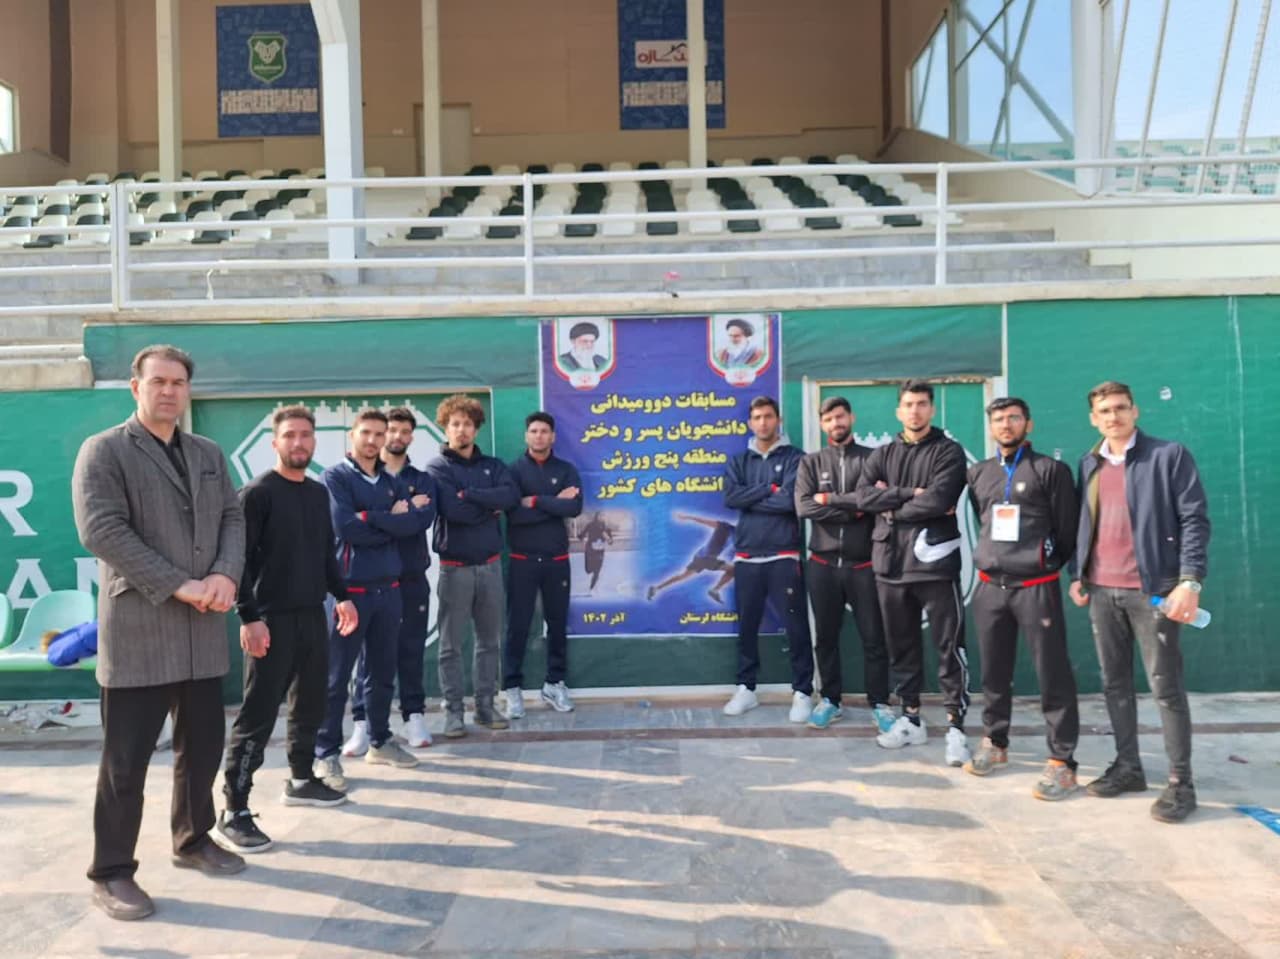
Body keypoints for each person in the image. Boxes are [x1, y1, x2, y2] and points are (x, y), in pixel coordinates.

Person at [72, 344, 247, 921]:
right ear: (136, 388)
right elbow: (101, 530)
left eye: (178, 382)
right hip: (140, 632)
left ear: (188, 390)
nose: (169, 391)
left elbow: (232, 516)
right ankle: (112, 872)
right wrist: (179, 583)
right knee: (126, 763)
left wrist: (224, 575)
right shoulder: (105, 451)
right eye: (158, 381)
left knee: (202, 750)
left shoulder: (207, 452)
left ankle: (193, 839)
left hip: (202, 630)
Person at [215, 406, 360, 854]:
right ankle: (234, 810)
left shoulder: (317, 493)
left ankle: (301, 779)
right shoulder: (256, 494)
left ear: (315, 442)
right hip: (269, 620)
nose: (299, 443)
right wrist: (248, 616)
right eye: (290, 435)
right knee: (258, 715)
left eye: (305, 435)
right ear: (275, 443)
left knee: (310, 703)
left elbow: (325, 554)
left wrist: (342, 595)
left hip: (312, 615)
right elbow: (237, 562)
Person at [1069, 380, 1210, 823]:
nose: (1113, 416)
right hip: (1101, 591)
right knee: (1115, 685)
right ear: (1093, 419)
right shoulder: (1089, 462)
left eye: (1120, 408)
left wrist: (1189, 581)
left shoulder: (1168, 456)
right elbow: (1086, 522)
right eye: (1104, 411)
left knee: (1165, 688)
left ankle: (1180, 783)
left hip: (1153, 593)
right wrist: (1078, 574)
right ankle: (1128, 767)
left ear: (1135, 411)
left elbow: (1194, 519)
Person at [964, 397, 1081, 800]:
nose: (1006, 424)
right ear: (991, 427)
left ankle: (1062, 761)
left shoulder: (1051, 471)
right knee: (994, 672)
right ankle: (995, 743)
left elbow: (1067, 531)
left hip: (1036, 587)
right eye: (999, 419)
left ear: (1027, 424)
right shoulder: (978, 473)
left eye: (1014, 418)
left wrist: (1042, 562)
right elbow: (982, 519)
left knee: (1052, 673)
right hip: (990, 587)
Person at [854, 380, 972, 766]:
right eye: (908, 404)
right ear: (898, 411)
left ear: (932, 409)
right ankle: (911, 719)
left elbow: (939, 500)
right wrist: (908, 494)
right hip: (889, 565)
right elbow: (863, 496)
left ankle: (956, 728)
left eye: (922, 404)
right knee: (901, 647)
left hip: (935, 564)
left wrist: (889, 505)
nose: (915, 411)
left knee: (949, 647)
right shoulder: (882, 454)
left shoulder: (948, 451)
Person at [314, 409, 433, 788]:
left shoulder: (391, 481)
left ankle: (380, 741)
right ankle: (325, 754)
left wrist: (371, 517)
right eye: (366, 432)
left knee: (381, 673)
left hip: (389, 590)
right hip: (349, 594)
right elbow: (346, 527)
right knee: (336, 678)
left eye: (379, 434)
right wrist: (387, 518)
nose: (373, 440)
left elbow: (412, 524)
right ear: (352, 435)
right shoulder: (335, 477)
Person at [794, 396, 893, 733]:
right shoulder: (810, 463)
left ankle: (879, 702)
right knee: (825, 637)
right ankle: (830, 700)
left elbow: (876, 501)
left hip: (864, 564)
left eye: (840, 416)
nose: (835, 423)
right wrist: (854, 509)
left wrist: (831, 501)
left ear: (851, 418)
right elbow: (804, 507)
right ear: (822, 424)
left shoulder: (872, 459)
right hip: (822, 564)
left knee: (874, 637)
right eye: (828, 419)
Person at [425, 394, 520, 738]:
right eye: (455, 424)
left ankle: (485, 706)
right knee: (451, 645)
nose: (461, 430)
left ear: (476, 429)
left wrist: (471, 494)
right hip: (455, 569)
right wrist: (486, 504)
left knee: (489, 642)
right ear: (446, 428)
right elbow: (453, 511)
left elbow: (510, 497)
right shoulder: (437, 468)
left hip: (490, 567)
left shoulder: (493, 466)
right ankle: (453, 711)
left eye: (467, 424)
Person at [344, 407, 437, 755]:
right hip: (371, 580)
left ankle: (414, 716)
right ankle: (362, 724)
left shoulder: (422, 479)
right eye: (392, 430)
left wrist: (376, 517)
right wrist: (395, 512)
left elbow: (419, 522)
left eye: (404, 431)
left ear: (411, 436)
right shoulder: (362, 480)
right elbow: (350, 525)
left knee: (410, 649)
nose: (397, 436)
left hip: (410, 578)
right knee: (367, 659)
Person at [721, 396, 814, 723]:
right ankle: (746, 688)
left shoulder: (796, 458)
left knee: (796, 626)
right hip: (747, 557)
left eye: (768, 416)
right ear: (750, 422)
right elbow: (731, 497)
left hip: (783, 555)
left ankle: (802, 691)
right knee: (746, 627)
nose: (763, 422)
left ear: (778, 420)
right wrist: (769, 489)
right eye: (757, 417)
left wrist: (753, 495)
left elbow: (790, 502)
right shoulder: (738, 461)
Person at [502, 411, 583, 718]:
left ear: (553, 437)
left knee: (557, 624)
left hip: (557, 562)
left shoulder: (565, 470)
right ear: (527, 436)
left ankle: (554, 683)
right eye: (534, 431)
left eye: (544, 431)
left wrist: (535, 500)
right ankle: (512, 688)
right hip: (522, 562)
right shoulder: (513, 471)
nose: (539, 436)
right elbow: (514, 514)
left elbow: (574, 507)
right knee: (518, 626)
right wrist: (554, 501)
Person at [646, 513, 735, 604]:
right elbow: (704, 521)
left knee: (682, 576)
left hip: (700, 556)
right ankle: (715, 590)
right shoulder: (725, 527)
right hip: (707, 558)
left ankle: (656, 588)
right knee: (734, 570)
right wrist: (688, 517)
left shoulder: (737, 536)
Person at [579, 512, 614, 592]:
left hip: (600, 552)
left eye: (603, 516)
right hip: (590, 550)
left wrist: (609, 539)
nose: (601, 517)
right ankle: (593, 576)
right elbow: (581, 535)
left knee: (597, 570)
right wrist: (582, 539)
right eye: (600, 515)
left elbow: (611, 542)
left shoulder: (606, 528)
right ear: (596, 516)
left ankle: (592, 588)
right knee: (588, 570)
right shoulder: (590, 525)